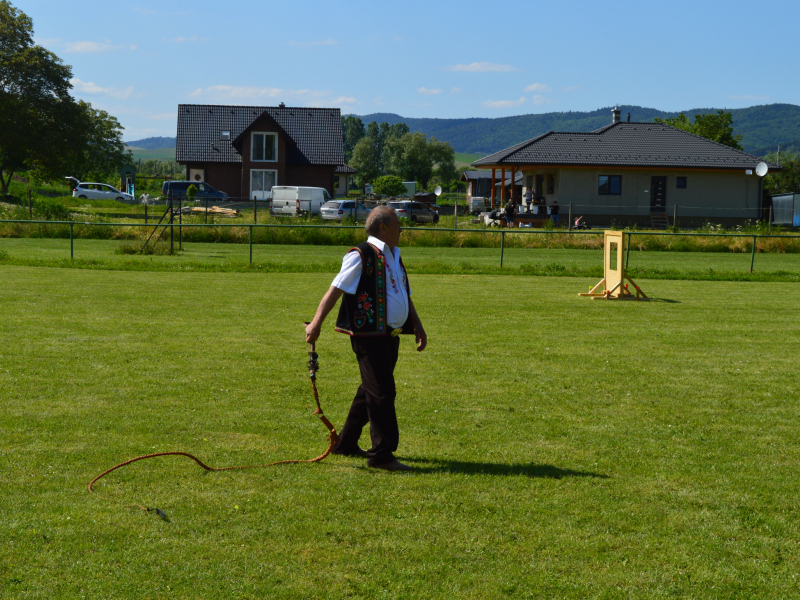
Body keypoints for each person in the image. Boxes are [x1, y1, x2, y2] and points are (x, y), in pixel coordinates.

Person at [305, 206, 427, 472]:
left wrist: (417, 325)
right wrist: (316, 323)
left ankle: (346, 443)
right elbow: (335, 289)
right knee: (382, 393)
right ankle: (382, 455)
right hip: (368, 336)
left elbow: (404, 292)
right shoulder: (361, 254)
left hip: (389, 335)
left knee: (370, 390)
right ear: (383, 227)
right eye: (397, 224)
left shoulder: (394, 254)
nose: (401, 228)